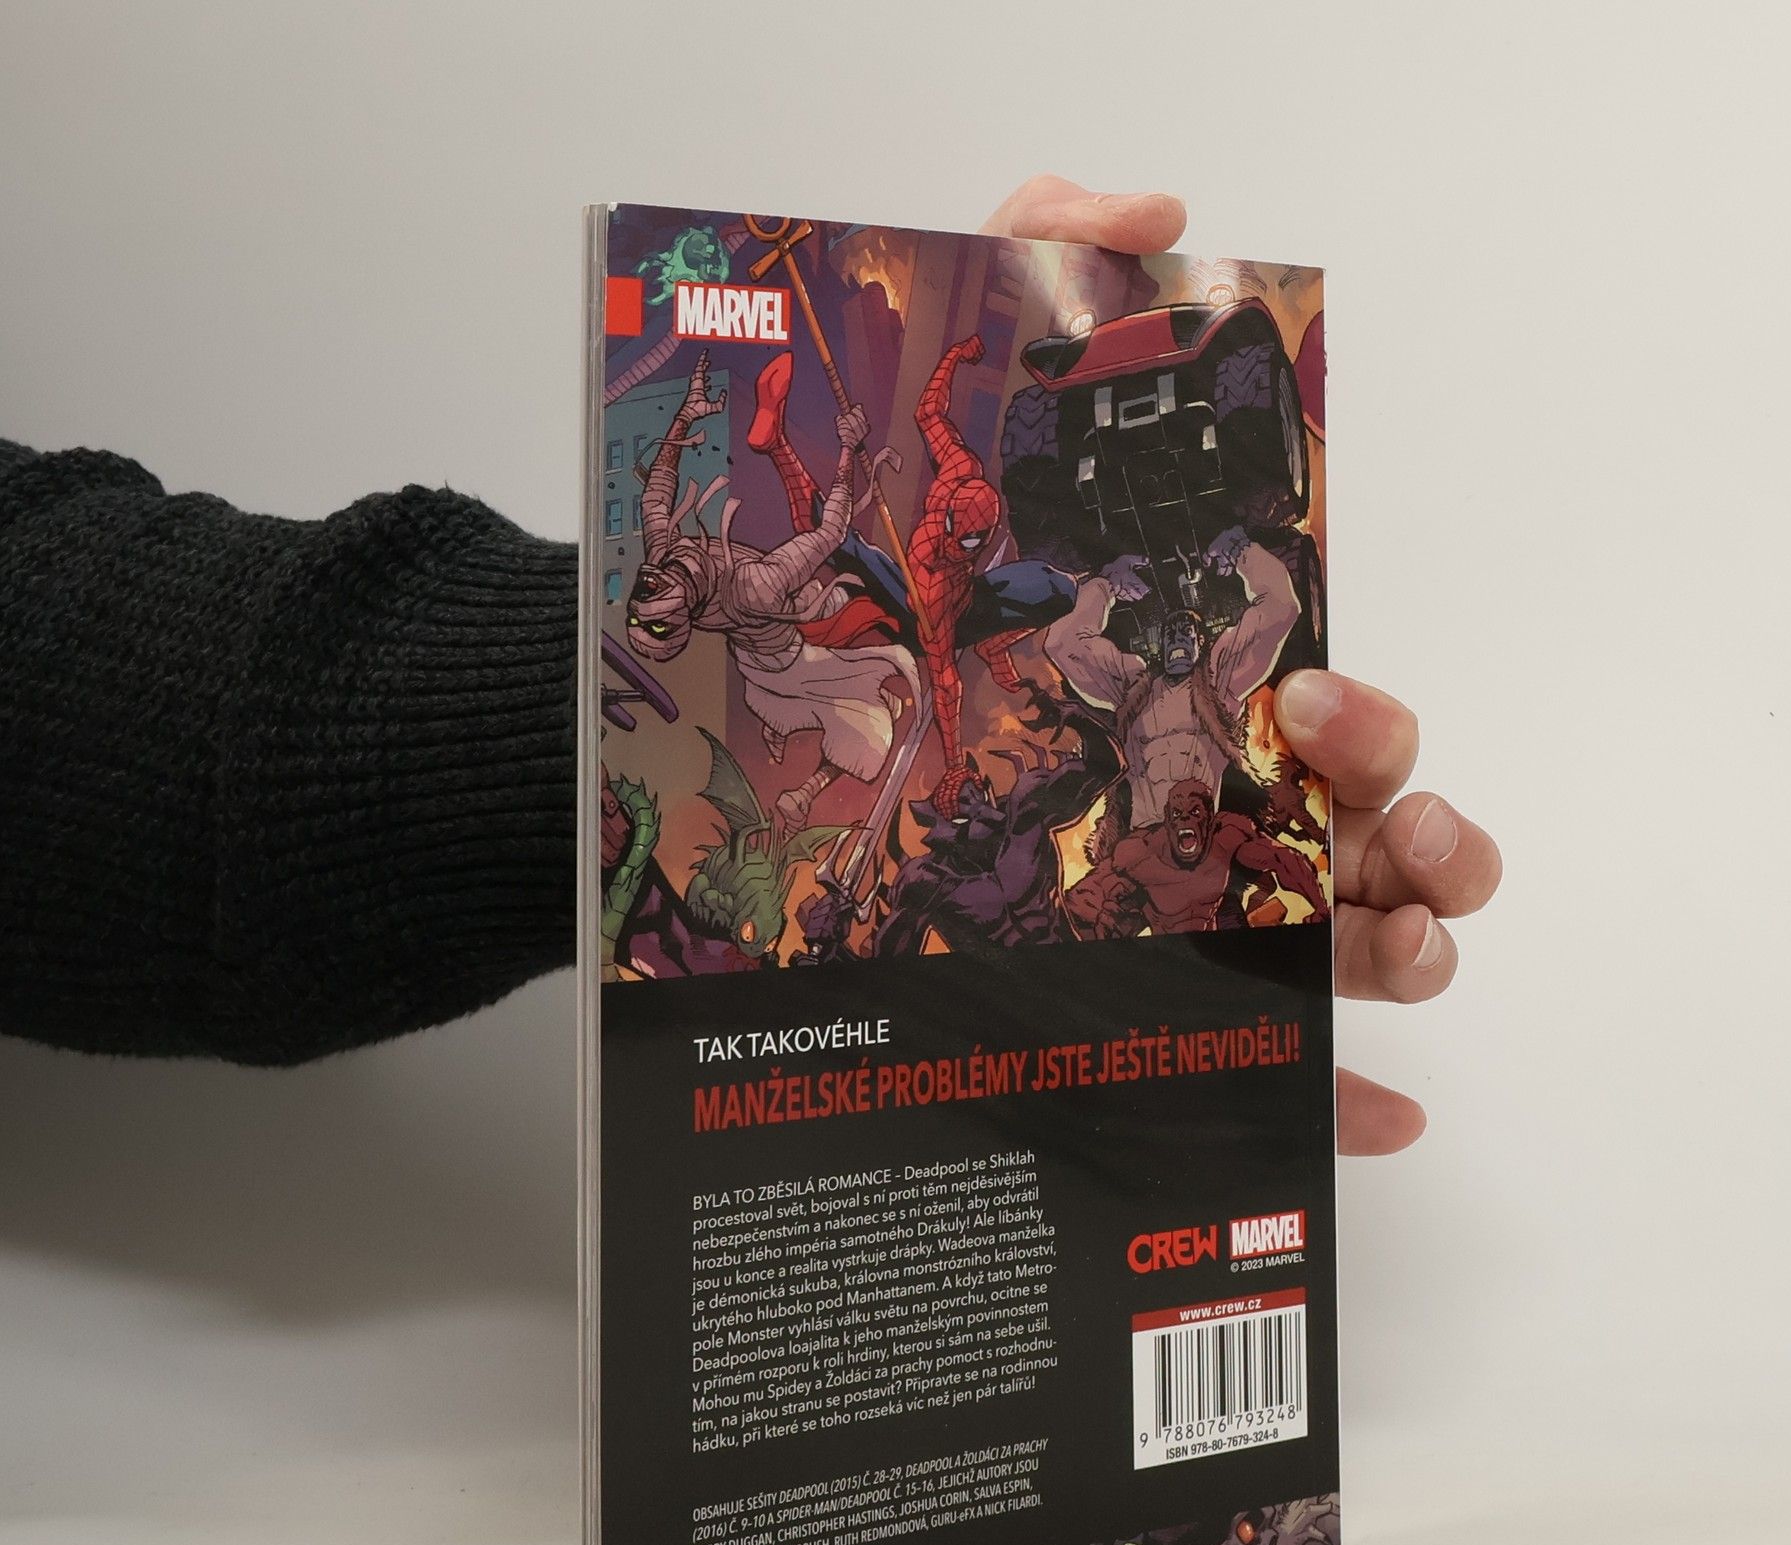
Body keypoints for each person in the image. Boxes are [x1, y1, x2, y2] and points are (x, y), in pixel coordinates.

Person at [0, 176, 1500, 1155]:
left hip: (930, 700)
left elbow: (134, 709)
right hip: (910, 671)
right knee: (905, 655)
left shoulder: (1135, 727)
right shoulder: (1000, 632)